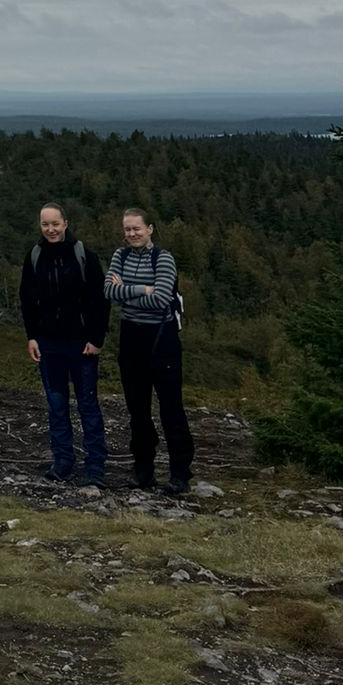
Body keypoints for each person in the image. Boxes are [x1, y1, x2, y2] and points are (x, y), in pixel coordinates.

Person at [105, 206, 194, 496]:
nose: (132, 233)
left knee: (171, 409)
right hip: (131, 338)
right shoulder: (120, 256)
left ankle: (180, 473)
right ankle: (143, 470)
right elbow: (108, 291)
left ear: (150, 229)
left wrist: (127, 290)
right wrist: (143, 289)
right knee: (138, 410)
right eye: (127, 229)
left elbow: (161, 299)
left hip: (161, 340)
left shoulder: (164, 258)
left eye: (137, 228)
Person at [20, 201, 109, 485]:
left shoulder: (84, 255)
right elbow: (27, 300)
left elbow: (100, 300)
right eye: (45, 224)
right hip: (49, 344)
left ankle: (95, 466)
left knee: (88, 405)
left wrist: (96, 339)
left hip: (82, 344)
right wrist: (32, 336)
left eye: (55, 224)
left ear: (66, 224)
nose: (50, 229)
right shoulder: (35, 256)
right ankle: (63, 461)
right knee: (56, 405)